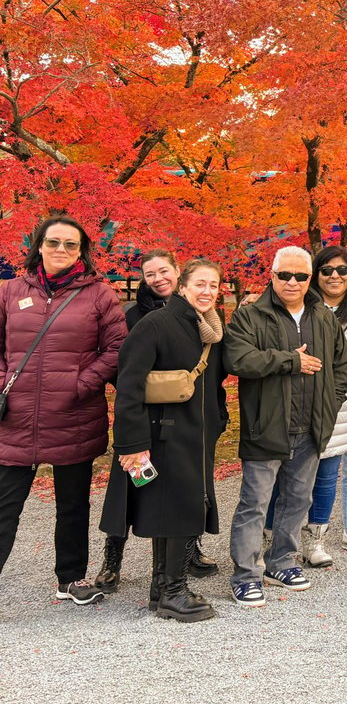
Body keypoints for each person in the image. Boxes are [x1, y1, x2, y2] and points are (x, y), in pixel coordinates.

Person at [0, 215, 127, 604]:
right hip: (16, 418)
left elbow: (117, 349)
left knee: (73, 505)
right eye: (54, 242)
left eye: (71, 245)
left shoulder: (100, 295)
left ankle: (70, 578)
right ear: (39, 245)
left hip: (74, 414)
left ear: (81, 252)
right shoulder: (9, 291)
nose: (61, 250)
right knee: (4, 506)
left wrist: (81, 383)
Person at [224, 246, 347, 606]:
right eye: (285, 275)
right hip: (267, 426)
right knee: (256, 502)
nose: (292, 282)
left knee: (298, 499)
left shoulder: (323, 317)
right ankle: (246, 574)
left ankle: (280, 562)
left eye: (301, 276)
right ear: (272, 275)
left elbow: (343, 362)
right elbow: (238, 358)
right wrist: (289, 362)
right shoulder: (251, 315)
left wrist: (330, 402)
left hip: (310, 426)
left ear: (310, 279)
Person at [108, 259, 228, 621]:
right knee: (178, 509)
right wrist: (131, 444)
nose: (207, 291)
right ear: (183, 286)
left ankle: (162, 589)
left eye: (214, 286)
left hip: (196, 433)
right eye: (200, 284)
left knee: (175, 508)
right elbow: (128, 388)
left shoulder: (208, 327)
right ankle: (174, 591)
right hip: (164, 434)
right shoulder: (155, 325)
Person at [284, 246, 347, 567]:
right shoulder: (298, 305)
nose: (335, 276)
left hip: (339, 408)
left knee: (326, 477)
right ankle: (280, 540)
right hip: (294, 403)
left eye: (343, 270)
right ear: (316, 274)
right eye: (327, 270)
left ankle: (315, 542)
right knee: (288, 476)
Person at [125, 250, 180, 328]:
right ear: (144, 278)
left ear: (177, 271)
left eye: (164, 271)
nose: (157, 279)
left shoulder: (195, 306)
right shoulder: (132, 315)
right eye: (150, 275)